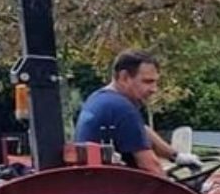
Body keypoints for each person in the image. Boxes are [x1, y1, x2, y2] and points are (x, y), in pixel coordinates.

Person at [74, 49, 202, 176]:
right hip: (113, 186)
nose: (154, 89)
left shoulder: (100, 99)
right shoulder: (122, 108)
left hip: (94, 180)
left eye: (156, 82)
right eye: (147, 82)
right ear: (124, 77)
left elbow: (141, 130)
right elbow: (150, 165)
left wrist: (177, 156)